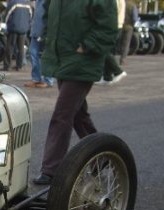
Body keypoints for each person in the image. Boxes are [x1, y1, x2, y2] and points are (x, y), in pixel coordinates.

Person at [33, 0, 117, 185]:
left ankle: (51, 169)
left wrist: (86, 46)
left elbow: (108, 26)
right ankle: (101, 156)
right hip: (63, 59)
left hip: (84, 61)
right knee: (78, 114)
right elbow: (48, 14)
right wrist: (48, 37)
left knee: (62, 114)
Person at [24, 0, 52, 88]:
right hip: (36, 32)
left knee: (46, 57)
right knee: (32, 54)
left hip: (45, 33)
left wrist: (47, 33)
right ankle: (36, 79)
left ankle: (48, 80)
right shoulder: (37, 2)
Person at [98, 0, 126, 85]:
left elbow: (111, 11)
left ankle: (118, 71)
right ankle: (107, 77)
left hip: (113, 25)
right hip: (116, 25)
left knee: (103, 49)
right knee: (109, 50)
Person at [3, 0, 31, 71]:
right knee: (21, 48)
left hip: (13, 28)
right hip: (24, 29)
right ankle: (19, 66)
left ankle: (7, 66)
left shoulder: (13, 3)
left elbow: (7, 15)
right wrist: (27, 25)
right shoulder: (27, 3)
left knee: (10, 47)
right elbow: (30, 15)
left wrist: (5, 24)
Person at [118, 0, 137, 66]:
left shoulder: (121, 3)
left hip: (120, 25)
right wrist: (133, 24)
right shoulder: (132, 5)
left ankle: (114, 57)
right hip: (129, 26)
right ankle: (122, 59)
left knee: (119, 41)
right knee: (126, 43)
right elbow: (134, 18)